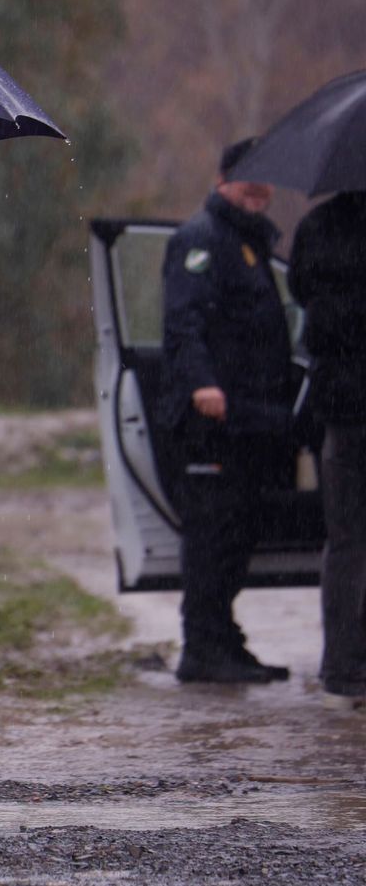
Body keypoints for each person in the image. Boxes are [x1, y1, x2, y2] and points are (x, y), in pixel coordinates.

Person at [159, 137, 294, 684]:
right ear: (224, 180)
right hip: (212, 420)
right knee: (213, 535)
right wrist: (202, 385)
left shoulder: (249, 243)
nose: (260, 190)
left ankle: (224, 641)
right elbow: (182, 321)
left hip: (250, 420)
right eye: (250, 179)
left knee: (239, 532)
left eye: (267, 181)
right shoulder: (201, 239)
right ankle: (202, 648)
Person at [287, 189, 366, 709]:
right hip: (347, 401)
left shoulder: (317, 225)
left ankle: (342, 665)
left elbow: (298, 290)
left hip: (340, 406)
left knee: (345, 541)